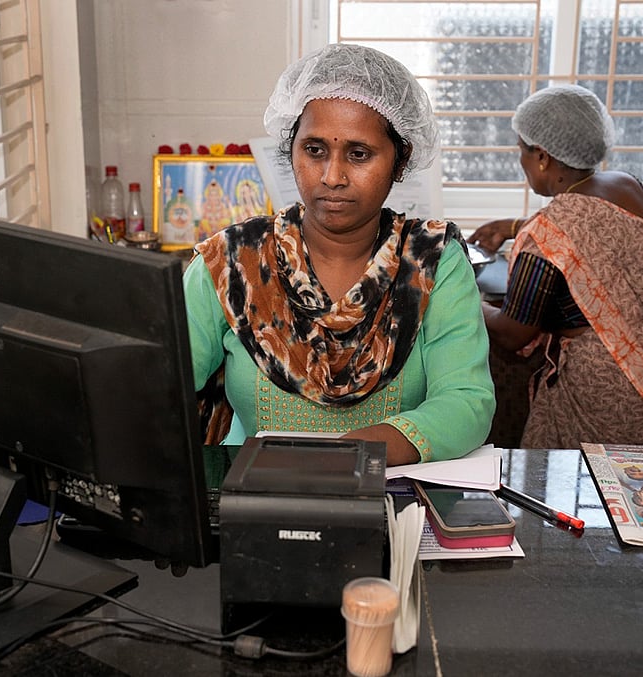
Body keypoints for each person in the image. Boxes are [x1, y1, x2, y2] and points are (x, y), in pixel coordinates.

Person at [183, 44, 496, 466]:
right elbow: (163, 384)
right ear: (291, 151)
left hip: (390, 502)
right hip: (253, 496)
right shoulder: (233, 262)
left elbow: (466, 401)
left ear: (399, 162)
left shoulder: (432, 261)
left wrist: (347, 457)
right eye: (314, 150)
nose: (332, 177)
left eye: (359, 154)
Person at [468, 84, 643, 449]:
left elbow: (514, 334)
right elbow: (604, 236)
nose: (521, 162)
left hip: (614, 387)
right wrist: (514, 226)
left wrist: (469, 301)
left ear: (542, 157)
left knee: (595, 488)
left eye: (521, 152)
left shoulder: (549, 233)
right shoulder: (629, 186)